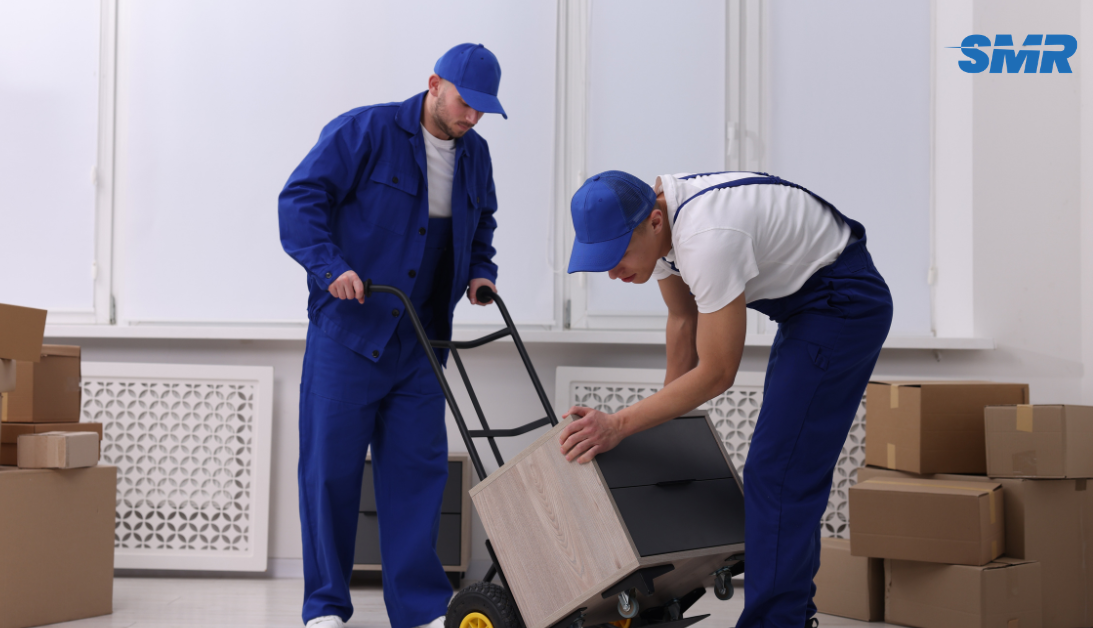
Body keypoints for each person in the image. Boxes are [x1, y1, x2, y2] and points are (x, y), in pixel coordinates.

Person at [559, 170, 893, 628]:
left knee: (778, 471)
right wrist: (664, 431)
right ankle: (790, 617)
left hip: (843, 302)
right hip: (806, 305)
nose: (614, 273)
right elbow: (682, 317)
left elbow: (717, 373)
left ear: (655, 223)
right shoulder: (654, 219)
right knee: (780, 469)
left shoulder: (706, 238)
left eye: (617, 257)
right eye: (602, 261)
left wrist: (619, 424)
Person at [278, 43, 505, 628]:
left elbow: (482, 227)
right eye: (465, 103)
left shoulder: (474, 156)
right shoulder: (366, 130)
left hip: (424, 340)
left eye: (483, 110)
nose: (472, 117)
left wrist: (482, 272)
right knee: (330, 472)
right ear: (434, 84)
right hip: (350, 334)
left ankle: (422, 609)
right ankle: (325, 608)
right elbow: (300, 199)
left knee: (417, 474)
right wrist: (331, 268)